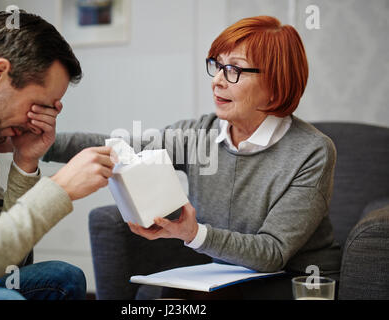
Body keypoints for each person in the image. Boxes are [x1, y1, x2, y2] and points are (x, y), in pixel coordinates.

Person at [41, 16, 341, 299]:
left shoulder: (311, 151)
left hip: (294, 280)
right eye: (217, 65)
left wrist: (194, 233)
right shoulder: (201, 133)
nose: (218, 81)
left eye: (234, 70)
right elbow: (121, 146)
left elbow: (272, 252)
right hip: (225, 273)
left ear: (275, 87)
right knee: (157, 299)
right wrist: (42, 141)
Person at [0, 11, 114, 300]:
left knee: (62, 278)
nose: (37, 121)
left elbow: (4, 266)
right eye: (37, 105)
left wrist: (26, 161)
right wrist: (58, 190)